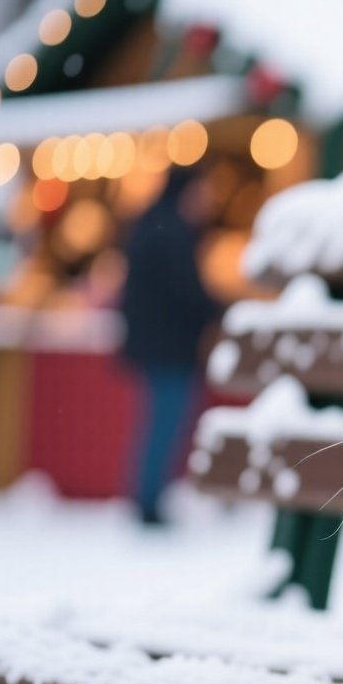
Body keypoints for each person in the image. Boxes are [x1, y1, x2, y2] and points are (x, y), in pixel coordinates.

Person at [118, 168, 224, 525]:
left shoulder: (150, 224)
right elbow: (186, 293)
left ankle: (147, 497)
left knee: (158, 424)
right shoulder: (174, 232)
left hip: (153, 344)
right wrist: (218, 311)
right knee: (165, 425)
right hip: (169, 348)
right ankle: (148, 502)